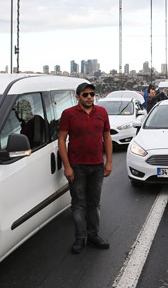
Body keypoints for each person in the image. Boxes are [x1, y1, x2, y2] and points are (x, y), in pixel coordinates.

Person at [58, 82, 113, 254]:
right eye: (85, 94)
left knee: (94, 204)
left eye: (92, 94)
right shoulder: (68, 114)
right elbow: (62, 140)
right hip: (77, 166)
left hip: (97, 166)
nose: (89, 97)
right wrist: (67, 166)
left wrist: (109, 162)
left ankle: (93, 236)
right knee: (78, 204)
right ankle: (80, 238)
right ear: (78, 97)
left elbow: (107, 137)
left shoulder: (102, 112)